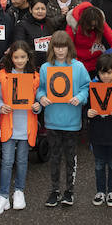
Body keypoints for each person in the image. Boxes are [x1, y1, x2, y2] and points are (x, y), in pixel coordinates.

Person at [37, 31, 89, 208]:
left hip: (72, 122)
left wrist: (80, 98)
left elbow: (87, 88)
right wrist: (41, 97)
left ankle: (69, 191)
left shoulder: (79, 67)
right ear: (52, 48)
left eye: (63, 47)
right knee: (55, 157)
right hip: (52, 120)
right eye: (57, 47)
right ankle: (54, 190)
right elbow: (40, 89)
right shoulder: (45, 68)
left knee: (70, 157)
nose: (60, 50)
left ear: (69, 48)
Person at [0, 42, 39, 215]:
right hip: (9, 125)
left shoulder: (35, 76)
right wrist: (0, 107)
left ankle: (19, 191)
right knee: (6, 162)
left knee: (22, 160)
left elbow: (38, 100)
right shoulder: (3, 75)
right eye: (16, 57)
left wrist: (37, 107)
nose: (19, 61)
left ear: (28, 57)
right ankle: (3, 195)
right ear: (11, 58)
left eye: (23, 57)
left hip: (26, 125)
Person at [87, 52, 112, 207]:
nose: (106, 76)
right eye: (103, 73)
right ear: (98, 73)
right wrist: (88, 113)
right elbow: (86, 108)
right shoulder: (93, 89)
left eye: (109, 73)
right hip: (97, 134)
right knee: (98, 164)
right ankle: (100, 191)